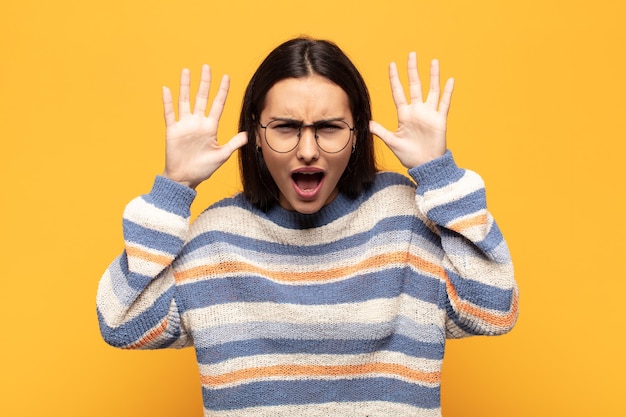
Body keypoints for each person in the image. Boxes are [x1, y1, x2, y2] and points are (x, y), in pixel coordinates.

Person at [97, 37, 519, 416]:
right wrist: (175, 187)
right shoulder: (216, 239)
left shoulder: (405, 220)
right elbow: (121, 321)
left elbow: (495, 309)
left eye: (329, 128)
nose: (307, 151)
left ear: (356, 134)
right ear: (256, 136)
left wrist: (438, 173)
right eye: (285, 128)